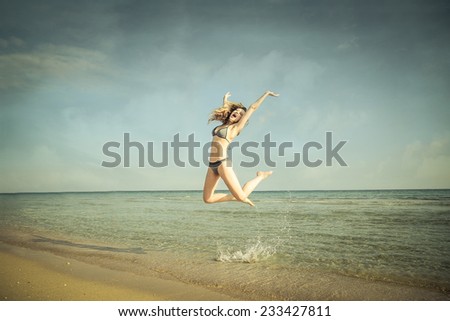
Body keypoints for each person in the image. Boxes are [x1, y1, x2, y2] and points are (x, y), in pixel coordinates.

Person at [203, 90, 279, 206]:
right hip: (212, 165)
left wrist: (266, 94)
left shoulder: (235, 128)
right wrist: (225, 100)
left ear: (241, 119)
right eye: (236, 111)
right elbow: (226, 110)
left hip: (223, 164)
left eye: (240, 114)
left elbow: (253, 107)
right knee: (208, 199)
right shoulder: (223, 124)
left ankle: (261, 176)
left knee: (242, 197)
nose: (237, 113)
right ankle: (236, 197)